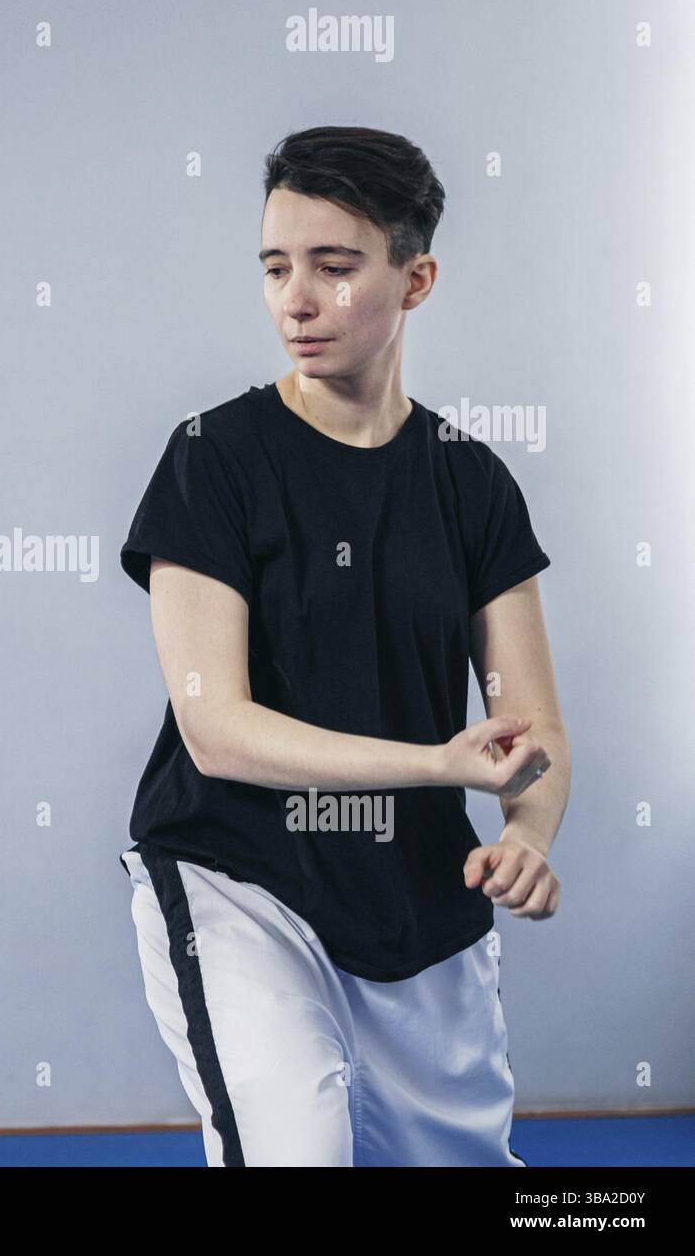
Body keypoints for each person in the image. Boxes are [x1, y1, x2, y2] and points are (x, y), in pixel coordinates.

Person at [117, 125, 568, 1167]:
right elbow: (214, 728)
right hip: (238, 876)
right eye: (276, 266)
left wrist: (527, 835)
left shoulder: (471, 483)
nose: (296, 299)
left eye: (334, 266)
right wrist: (435, 765)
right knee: (299, 1150)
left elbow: (533, 732)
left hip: (415, 893)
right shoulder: (211, 459)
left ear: (415, 280)